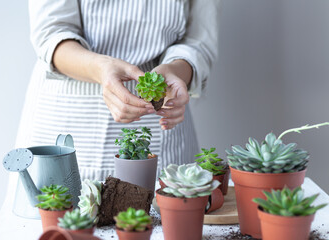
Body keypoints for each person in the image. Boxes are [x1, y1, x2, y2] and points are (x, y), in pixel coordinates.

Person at [16, 0, 220, 180]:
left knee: (163, 218)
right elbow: (50, 33)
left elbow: (199, 41)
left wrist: (177, 70)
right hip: (72, 118)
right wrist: (100, 69)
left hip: (160, 124)